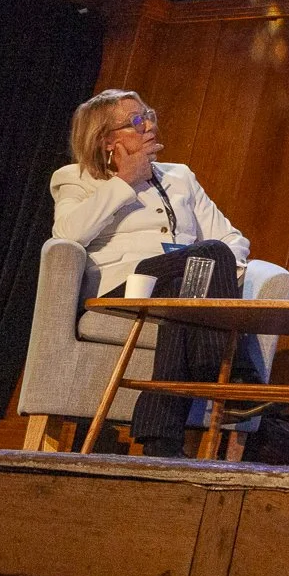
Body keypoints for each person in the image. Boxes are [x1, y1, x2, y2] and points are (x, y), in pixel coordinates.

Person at [50, 88, 264, 458]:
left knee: (188, 282)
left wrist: (215, 272)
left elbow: (233, 239)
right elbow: (67, 234)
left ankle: (160, 440)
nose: (149, 126)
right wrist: (125, 181)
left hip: (177, 285)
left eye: (149, 115)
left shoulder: (180, 177)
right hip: (124, 286)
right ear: (106, 140)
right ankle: (228, 372)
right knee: (211, 252)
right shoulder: (77, 178)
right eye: (136, 121)